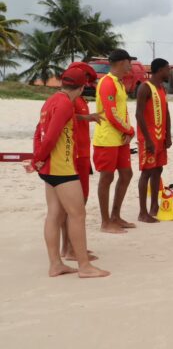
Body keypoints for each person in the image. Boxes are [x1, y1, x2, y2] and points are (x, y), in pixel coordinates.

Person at [31, 67, 109, 278]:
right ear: (82, 87)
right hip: (61, 168)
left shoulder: (52, 100)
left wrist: (38, 159)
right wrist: (36, 159)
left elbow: (39, 131)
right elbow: (51, 137)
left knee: (54, 215)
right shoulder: (66, 103)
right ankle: (84, 266)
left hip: (49, 168)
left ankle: (55, 264)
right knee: (77, 214)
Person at [61, 62, 102, 261]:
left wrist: (87, 117)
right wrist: (87, 117)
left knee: (76, 202)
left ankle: (70, 246)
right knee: (76, 203)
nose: (87, 83)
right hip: (76, 154)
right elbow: (65, 116)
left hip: (82, 152)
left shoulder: (78, 96)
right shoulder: (69, 97)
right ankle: (70, 249)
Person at [93, 49, 136, 234]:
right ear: (121, 62)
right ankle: (105, 222)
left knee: (126, 174)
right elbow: (110, 114)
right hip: (107, 139)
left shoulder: (119, 83)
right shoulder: (107, 82)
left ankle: (115, 216)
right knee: (106, 178)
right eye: (129, 62)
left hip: (120, 139)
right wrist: (129, 130)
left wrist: (126, 132)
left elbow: (120, 111)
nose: (131, 66)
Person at [135, 58, 172, 222]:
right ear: (159, 70)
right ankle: (142, 212)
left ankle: (154, 206)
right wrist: (148, 139)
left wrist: (168, 134)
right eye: (167, 69)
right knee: (147, 172)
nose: (169, 72)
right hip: (148, 138)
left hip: (160, 137)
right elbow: (139, 114)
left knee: (158, 170)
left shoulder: (162, 88)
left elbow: (167, 112)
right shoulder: (145, 87)